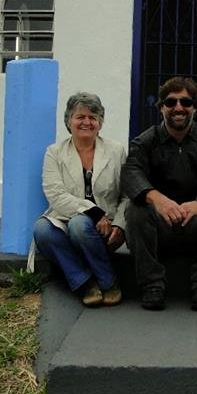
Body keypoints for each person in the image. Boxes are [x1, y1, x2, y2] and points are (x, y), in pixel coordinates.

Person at [121, 76, 197, 311]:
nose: (178, 108)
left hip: (196, 225)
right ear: (161, 106)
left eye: (185, 102)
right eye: (171, 102)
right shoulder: (145, 141)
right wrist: (157, 198)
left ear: (195, 107)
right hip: (159, 226)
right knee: (135, 210)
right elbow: (131, 172)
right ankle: (152, 284)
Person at [32, 92, 127, 307]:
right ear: (69, 121)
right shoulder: (54, 153)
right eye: (80, 117)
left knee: (80, 224)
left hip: (105, 227)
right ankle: (86, 283)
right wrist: (92, 211)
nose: (86, 122)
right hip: (67, 220)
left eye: (93, 117)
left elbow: (127, 195)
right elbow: (55, 194)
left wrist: (120, 226)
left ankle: (108, 281)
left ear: (100, 123)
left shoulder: (116, 151)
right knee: (42, 230)